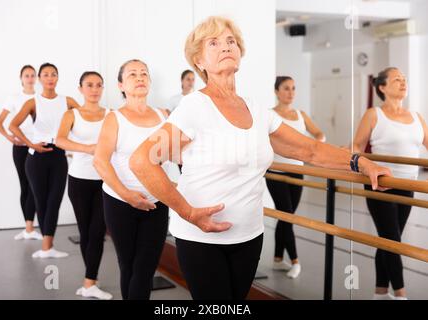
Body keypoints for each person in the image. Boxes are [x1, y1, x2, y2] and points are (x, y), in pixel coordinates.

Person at [129, 16, 392, 300]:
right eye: (214, 43)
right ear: (199, 61)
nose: (225, 46)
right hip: (202, 239)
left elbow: (310, 150)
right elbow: (142, 160)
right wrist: (188, 212)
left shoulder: (257, 111)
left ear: (240, 52)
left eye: (231, 41)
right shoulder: (194, 107)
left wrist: (359, 162)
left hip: (250, 235)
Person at [93, 59, 169, 300]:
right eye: (133, 74)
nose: (139, 78)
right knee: (128, 265)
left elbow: (176, 154)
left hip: (156, 201)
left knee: (145, 267)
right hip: (119, 201)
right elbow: (100, 161)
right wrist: (128, 196)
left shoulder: (163, 115)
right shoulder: (114, 118)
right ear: (121, 85)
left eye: (144, 73)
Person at [353, 67, 428, 300]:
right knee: (393, 241)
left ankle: (380, 292)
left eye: (404, 79)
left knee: (388, 240)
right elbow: (356, 146)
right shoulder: (374, 114)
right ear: (382, 87)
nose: (403, 82)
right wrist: (365, 166)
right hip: (381, 185)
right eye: (397, 79)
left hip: (409, 185)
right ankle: (401, 294)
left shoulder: (416, 117)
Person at [9, 62, 80, 259]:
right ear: (40, 79)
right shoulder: (33, 102)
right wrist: (30, 144)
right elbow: (13, 126)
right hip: (37, 157)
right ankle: (45, 246)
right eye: (46, 74)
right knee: (41, 201)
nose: (50, 77)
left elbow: (85, 118)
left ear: (57, 78)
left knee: (54, 200)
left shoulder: (68, 101)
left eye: (53, 74)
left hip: (58, 155)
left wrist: (75, 144)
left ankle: (49, 246)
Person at [56, 71, 112, 299]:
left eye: (99, 85)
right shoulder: (72, 114)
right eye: (90, 85)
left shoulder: (111, 115)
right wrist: (88, 148)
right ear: (80, 89)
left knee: (98, 232)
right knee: (86, 232)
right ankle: (91, 280)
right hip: (78, 180)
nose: (95, 89)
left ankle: (89, 282)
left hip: (105, 180)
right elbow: (60, 140)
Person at [267, 75, 326, 279]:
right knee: (288, 215)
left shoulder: (301, 114)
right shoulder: (270, 115)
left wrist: (311, 146)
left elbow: (319, 134)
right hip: (276, 173)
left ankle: (276, 259)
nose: (290, 92)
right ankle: (294, 261)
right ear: (276, 91)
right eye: (285, 88)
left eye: (293, 88)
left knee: (286, 216)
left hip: (298, 172)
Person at [0, 65, 42, 240]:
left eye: (32, 75)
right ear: (21, 78)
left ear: (36, 78)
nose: (30, 78)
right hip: (21, 147)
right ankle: (28, 227)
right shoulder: (14, 98)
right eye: (26, 75)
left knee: (35, 187)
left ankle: (32, 228)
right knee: (25, 185)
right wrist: (10, 138)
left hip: (37, 147)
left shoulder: (41, 97)